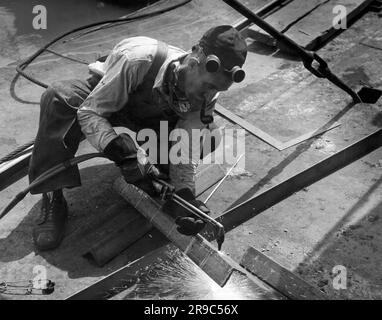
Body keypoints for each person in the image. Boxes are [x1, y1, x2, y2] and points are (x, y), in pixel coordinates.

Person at [28, 25, 248, 251]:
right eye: (209, 87)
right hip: (109, 100)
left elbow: (187, 141)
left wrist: (185, 194)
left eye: (217, 90)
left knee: (210, 136)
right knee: (60, 96)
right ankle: (52, 194)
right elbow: (90, 112)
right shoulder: (138, 59)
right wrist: (120, 152)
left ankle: (160, 178)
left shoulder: (208, 89)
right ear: (192, 64)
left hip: (152, 117)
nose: (210, 95)